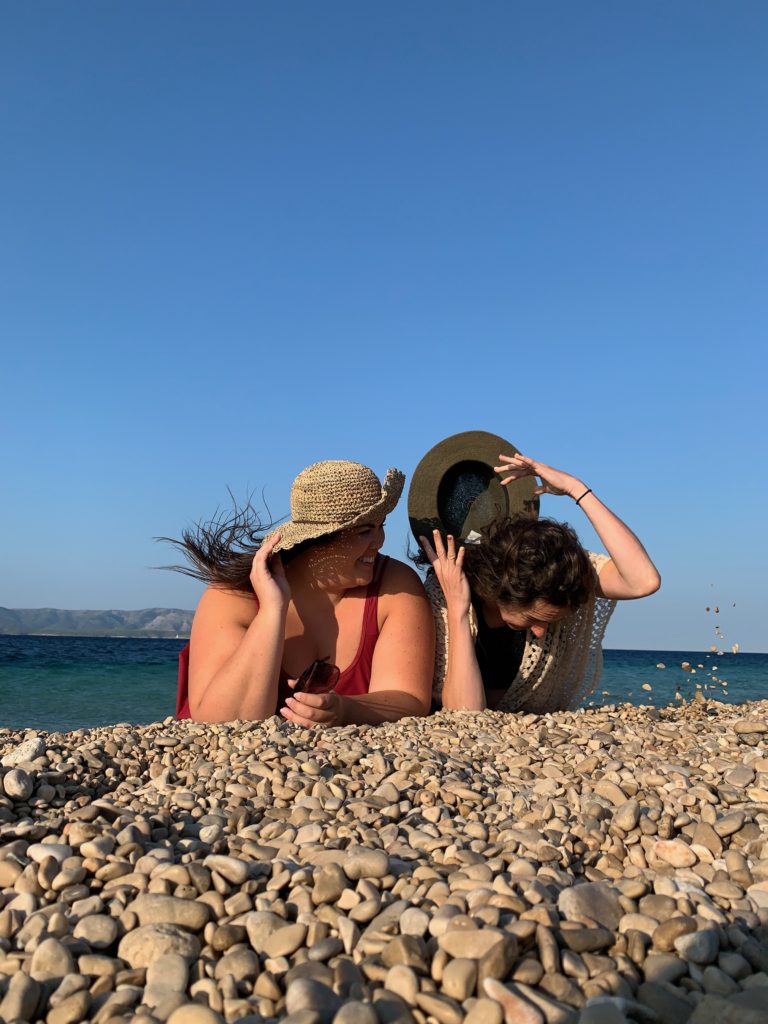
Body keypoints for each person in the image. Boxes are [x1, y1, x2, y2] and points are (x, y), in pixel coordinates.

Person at [409, 431, 660, 713]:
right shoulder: (444, 594)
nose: (542, 632)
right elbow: (465, 714)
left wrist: (576, 489)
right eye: (534, 618)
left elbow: (643, 581)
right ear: (502, 587)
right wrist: (457, 610)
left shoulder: (562, 577)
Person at [168, 460, 435, 725]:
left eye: (381, 526)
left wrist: (345, 709)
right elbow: (225, 721)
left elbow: (410, 698)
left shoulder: (395, 584)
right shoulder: (232, 596)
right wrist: (272, 612)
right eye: (365, 531)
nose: (379, 542)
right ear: (317, 540)